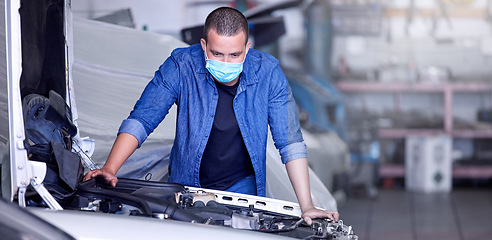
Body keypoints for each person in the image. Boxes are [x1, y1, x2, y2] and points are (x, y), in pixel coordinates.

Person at [84, 6, 339, 224]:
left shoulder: (268, 73)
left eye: (235, 55)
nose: (226, 63)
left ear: (247, 48)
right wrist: (110, 168)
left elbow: (290, 141)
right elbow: (143, 118)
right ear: (203, 45)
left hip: (243, 188)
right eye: (217, 54)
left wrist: (306, 205)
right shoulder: (181, 65)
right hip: (186, 187)